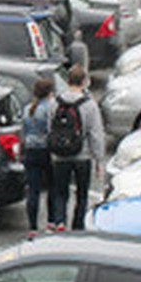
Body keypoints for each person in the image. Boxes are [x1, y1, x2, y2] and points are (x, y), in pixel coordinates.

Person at [48, 65, 105, 232]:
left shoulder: (55, 103)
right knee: (81, 193)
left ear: (67, 81)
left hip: (60, 156)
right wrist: (98, 159)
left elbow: (50, 128)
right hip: (82, 155)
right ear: (85, 82)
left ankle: (60, 221)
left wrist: (53, 150)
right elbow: (95, 134)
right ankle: (77, 225)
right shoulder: (89, 105)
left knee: (60, 192)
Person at [21, 77, 56, 233]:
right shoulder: (50, 108)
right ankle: (51, 222)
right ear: (49, 93)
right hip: (46, 151)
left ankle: (33, 227)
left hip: (30, 150)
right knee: (52, 188)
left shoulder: (28, 109)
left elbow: (23, 132)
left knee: (33, 191)